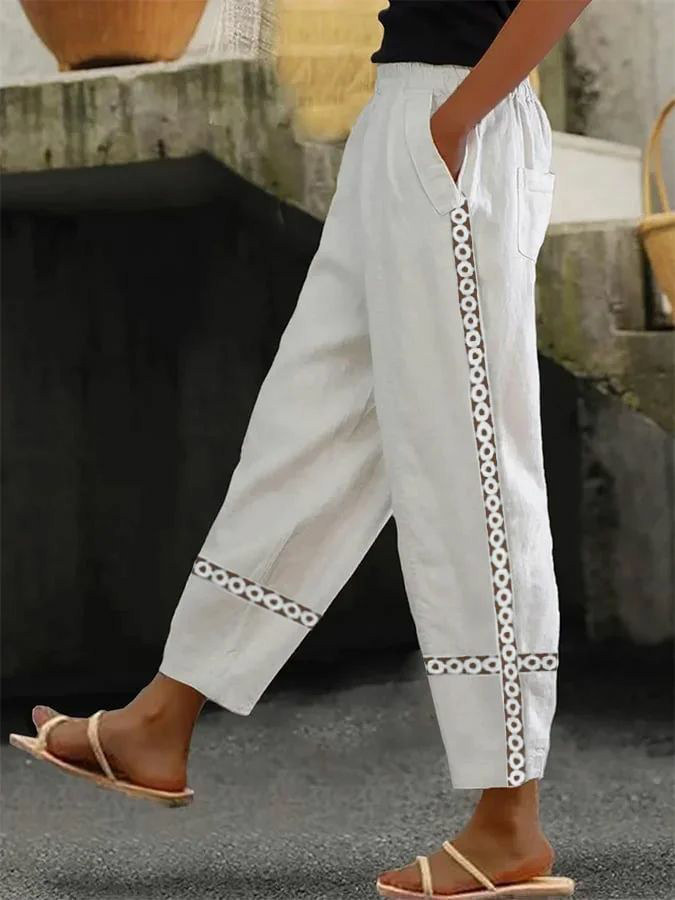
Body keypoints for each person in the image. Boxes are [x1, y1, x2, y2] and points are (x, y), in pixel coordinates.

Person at [12, 1, 592, 897]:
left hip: (459, 122)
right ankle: (163, 717)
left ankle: (508, 821)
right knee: (309, 429)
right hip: (404, 117)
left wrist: (456, 120)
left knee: (471, 466)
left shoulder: (458, 118)